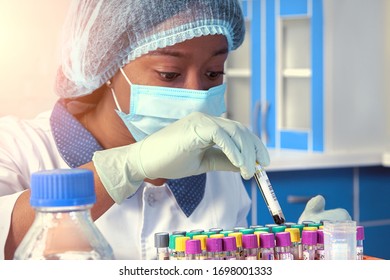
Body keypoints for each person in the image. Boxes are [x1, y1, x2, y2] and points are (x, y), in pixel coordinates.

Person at [0, 0, 350, 260]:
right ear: (106, 63)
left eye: (214, 73)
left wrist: (298, 254)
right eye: (169, 74)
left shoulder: (219, 174)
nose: (196, 95)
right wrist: (128, 167)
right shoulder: (18, 149)